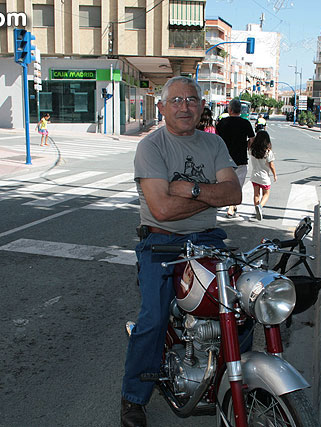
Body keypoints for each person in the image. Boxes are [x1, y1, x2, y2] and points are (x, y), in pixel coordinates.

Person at [121, 76, 241, 427]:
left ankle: (232, 382)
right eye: (176, 100)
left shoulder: (214, 144)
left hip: (209, 238)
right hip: (161, 241)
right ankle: (133, 398)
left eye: (191, 99)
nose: (184, 106)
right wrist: (210, 195)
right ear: (161, 107)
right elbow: (161, 210)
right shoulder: (151, 146)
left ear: (202, 106)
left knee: (241, 308)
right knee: (153, 318)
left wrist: (188, 189)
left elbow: (234, 194)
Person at [216, 99, 255, 217]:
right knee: (238, 184)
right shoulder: (245, 123)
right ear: (240, 110)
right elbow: (252, 139)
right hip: (240, 158)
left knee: (224, 182)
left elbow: (216, 138)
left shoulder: (222, 122)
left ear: (230, 109)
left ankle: (227, 204)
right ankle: (231, 207)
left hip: (224, 158)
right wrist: (247, 146)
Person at [248, 130, 277, 221]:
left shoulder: (252, 150)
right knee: (266, 194)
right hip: (264, 177)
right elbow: (271, 165)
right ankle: (260, 206)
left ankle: (257, 209)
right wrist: (275, 175)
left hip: (254, 176)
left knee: (256, 194)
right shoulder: (268, 152)